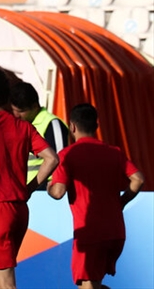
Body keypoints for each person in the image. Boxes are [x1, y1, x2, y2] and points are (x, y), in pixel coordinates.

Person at [0, 67, 59, 289]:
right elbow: (52, 159)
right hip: (18, 209)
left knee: (5, 281)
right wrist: (28, 189)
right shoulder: (23, 126)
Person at [48, 104, 145, 289]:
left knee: (88, 284)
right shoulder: (114, 152)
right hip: (116, 232)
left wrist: (49, 188)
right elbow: (138, 179)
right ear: (97, 125)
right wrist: (121, 202)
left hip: (90, 232)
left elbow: (59, 191)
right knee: (92, 284)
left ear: (72, 127)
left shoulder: (67, 155)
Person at [9, 82, 70, 188]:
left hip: (43, 192)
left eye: (21, 111)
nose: (16, 115)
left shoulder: (51, 124)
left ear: (35, 106)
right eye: (13, 110)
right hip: (23, 190)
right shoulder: (16, 124)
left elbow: (60, 162)